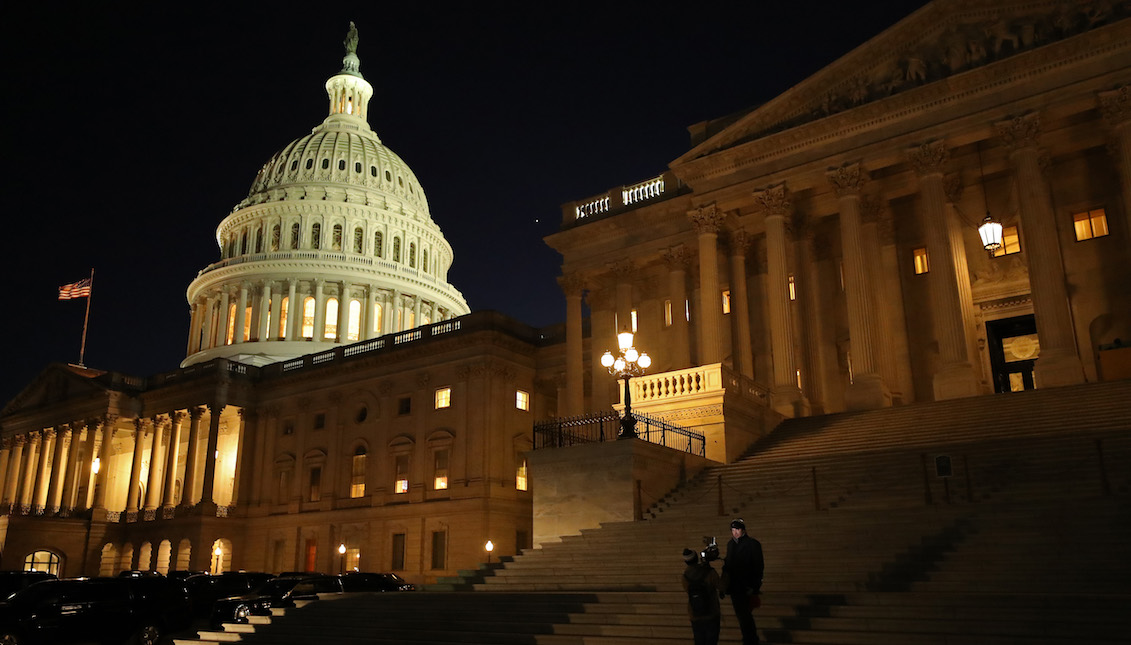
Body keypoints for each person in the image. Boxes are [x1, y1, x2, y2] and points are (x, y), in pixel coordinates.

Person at [722, 518, 764, 645]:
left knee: (745, 616)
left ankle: (751, 640)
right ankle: (749, 639)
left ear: (743, 530)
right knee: (742, 616)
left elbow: (758, 566)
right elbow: (728, 564)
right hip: (734, 586)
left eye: (737, 529)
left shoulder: (752, 544)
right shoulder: (730, 544)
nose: (735, 532)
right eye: (733, 530)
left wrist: (755, 586)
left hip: (746, 585)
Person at [681, 547, 721, 645]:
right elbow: (722, 586)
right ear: (696, 558)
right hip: (711, 612)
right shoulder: (709, 572)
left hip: (695, 613)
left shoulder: (685, 577)